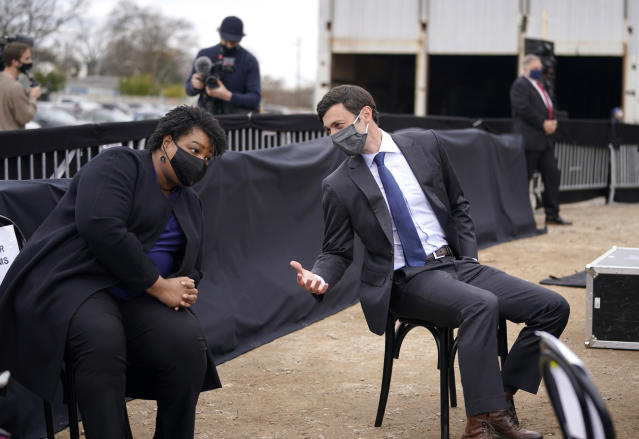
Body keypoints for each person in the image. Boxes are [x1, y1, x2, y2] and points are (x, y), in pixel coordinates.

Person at [290, 85, 570, 439]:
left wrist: (468, 258)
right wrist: (319, 276)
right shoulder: (339, 184)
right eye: (328, 129)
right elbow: (336, 251)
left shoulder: (425, 144)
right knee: (482, 305)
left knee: (553, 306)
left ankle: (501, 394)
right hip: (406, 279)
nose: (333, 136)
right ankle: (478, 425)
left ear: (365, 115)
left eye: (338, 125)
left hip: (456, 264)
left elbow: (458, 205)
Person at [0, 105, 226, 438]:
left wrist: (185, 285)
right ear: (166, 142)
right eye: (194, 150)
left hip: (135, 297)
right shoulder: (119, 164)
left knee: (188, 344)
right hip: (78, 283)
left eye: (207, 158)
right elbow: (100, 225)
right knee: (101, 339)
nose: (200, 162)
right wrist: (159, 284)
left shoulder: (189, 202)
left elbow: (193, 262)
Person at [510, 54, 571, 225]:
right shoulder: (520, 85)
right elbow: (523, 108)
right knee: (525, 178)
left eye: (539, 69)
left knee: (552, 175)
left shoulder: (541, 86)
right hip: (530, 139)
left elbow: (548, 107)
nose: (539, 72)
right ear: (525, 69)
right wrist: (542, 123)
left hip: (545, 140)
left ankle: (552, 213)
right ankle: (519, 216)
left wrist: (552, 121)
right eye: (535, 69)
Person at [185, 15, 261, 115]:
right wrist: (195, 86)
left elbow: (255, 99)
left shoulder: (249, 60)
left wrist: (228, 96)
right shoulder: (204, 54)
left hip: (235, 122)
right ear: (220, 33)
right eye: (226, 40)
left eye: (233, 42)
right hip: (206, 118)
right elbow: (188, 89)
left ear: (241, 37)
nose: (229, 45)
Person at [0, 42, 41, 130]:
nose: (30, 61)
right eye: (27, 59)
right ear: (14, 62)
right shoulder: (16, 87)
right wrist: (33, 97)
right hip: (10, 141)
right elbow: (25, 117)